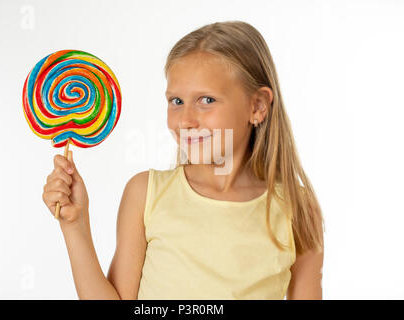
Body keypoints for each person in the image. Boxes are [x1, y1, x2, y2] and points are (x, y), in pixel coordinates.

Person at [42, 20, 325, 300]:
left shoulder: (296, 209)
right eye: (176, 101)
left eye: (206, 100)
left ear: (257, 106)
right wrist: (74, 225)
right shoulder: (146, 194)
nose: (186, 120)